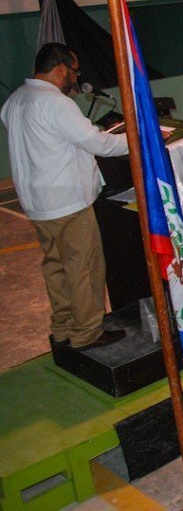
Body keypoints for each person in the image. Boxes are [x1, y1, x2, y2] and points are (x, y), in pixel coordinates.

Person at [1, 43, 129, 350]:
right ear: (61, 69)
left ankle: (63, 327)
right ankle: (87, 332)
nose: (76, 76)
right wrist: (137, 139)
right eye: (74, 71)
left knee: (56, 267)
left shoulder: (15, 100)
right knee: (84, 268)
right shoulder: (56, 103)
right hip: (67, 202)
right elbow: (97, 144)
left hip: (37, 203)